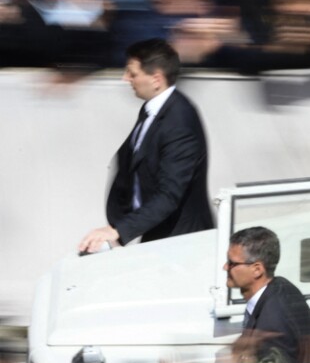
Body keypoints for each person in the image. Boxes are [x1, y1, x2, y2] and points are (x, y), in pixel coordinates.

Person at [78, 39, 214, 253]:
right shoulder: (153, 110)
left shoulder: (179, 122)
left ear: (156, 79)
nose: (125, 78)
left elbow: (169, 195)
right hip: (159, 234)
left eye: (132, 73)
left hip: (182, 243)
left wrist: (118, 231)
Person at [225, 226, 310, 363]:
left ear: (257, 270)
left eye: (231, 263)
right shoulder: (282, 287)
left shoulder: (271, 326)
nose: (225, 267)